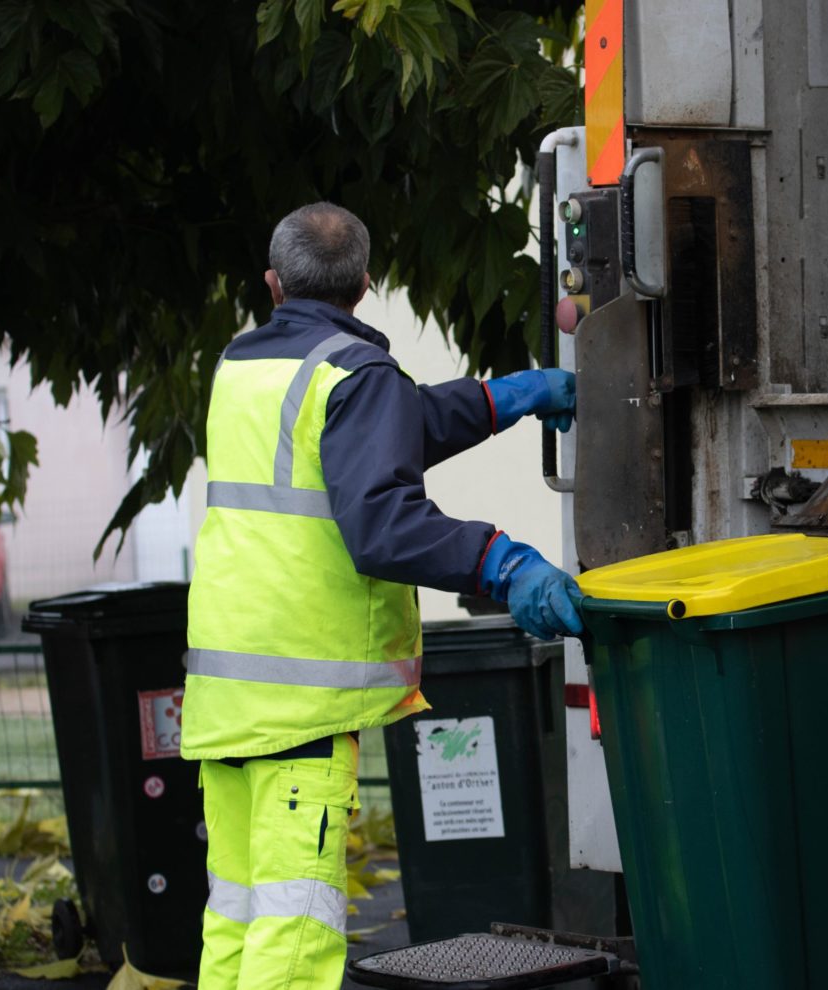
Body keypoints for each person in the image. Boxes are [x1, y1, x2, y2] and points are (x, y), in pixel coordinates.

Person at [179, 201, 583, 990]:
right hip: (301, 700)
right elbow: (383, 523)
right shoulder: (352, 375)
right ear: (367, 283)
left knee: (238, 917)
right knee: (294, 935)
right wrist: (503, 562)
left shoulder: (244, 368)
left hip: (229, 696)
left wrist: (507, 397)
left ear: (272, 283)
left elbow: (387, 429)